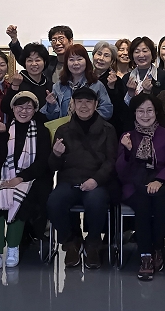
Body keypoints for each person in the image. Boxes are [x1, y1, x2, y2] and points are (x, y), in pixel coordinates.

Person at [0, 92, 53, 274]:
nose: (24, 111)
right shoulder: (5, 129)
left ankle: (13, 247)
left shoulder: (42, 131)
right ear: (13, 109)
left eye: (29, 107)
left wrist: (20, 178)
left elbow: (42, 162)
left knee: (21, 198)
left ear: (35, 110)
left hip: (32, 178)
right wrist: (0, 136)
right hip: (5, 175)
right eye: (20, 106)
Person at [47, 87, 117, 269]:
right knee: (54, 202)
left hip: (96, 182)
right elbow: (53, 167)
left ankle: (93, 243)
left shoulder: (108, 130)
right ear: (72, 104)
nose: (83, 106)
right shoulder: (63, 130)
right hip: (69, 181)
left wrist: (96, 180)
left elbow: (111, 161)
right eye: (79, 102)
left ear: (96, 104)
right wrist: (56, 154)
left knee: (96, 201)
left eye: (88, 102)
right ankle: (71, 241)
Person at [115, 93, 165, 281]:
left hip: (162, 185)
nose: (145, 115)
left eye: (149, 110)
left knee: (162, 204)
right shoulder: (127, 136)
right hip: (134, 185)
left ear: (156, 112)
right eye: (140, 111)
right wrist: (127, 152)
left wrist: (159, 180)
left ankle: (157, 247)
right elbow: (121, 172)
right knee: (142, 206)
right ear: (134, 113)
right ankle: (145, 256)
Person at [44, 44, 115, 121]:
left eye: (79, 59)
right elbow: (52, 117)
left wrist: (87, 114)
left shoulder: (96, 85)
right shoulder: (58, 86)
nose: (75, 63)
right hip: (65, 127)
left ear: (86, 61)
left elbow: (107, 111)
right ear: (66, 63)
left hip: (90, 127)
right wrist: (51, 105)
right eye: (71, 60)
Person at [114, 37, 165, 132]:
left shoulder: (163, 76)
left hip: (157, 129)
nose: (141, 55)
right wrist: (130, 94)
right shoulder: (127, 78)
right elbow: (121, 111)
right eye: (137, 52)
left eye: (145, 51)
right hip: (132, 129)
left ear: (152, 54)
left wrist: (148, 94)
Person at [0, 43, 54, 120]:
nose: (34, 64)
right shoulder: (18, 82)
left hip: (43, 127)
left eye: (38, 60)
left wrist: (52, 105)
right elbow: (5, 108)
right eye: (29, 60)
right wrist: (14, 87)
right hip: (20, 126)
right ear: (24, 63)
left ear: (44, 62)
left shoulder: (50, 85)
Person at [7, 24, 73, 81]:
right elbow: (22, 58)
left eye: (61, 39)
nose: (57, 43)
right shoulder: (48, 62)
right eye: (54, 40)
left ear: (70, 41)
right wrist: (14, 38)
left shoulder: (77, 63)